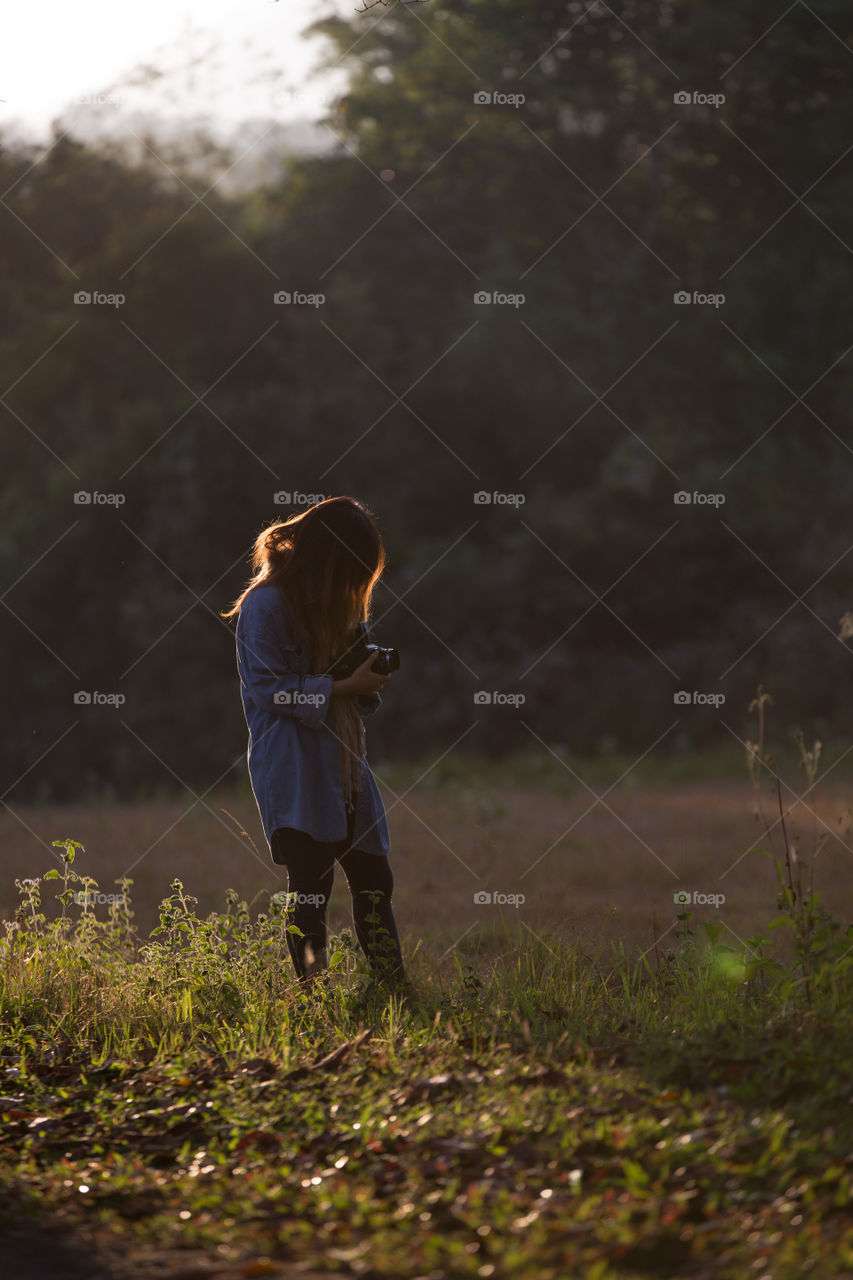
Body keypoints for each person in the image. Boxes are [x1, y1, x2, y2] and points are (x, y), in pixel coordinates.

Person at [221, 496, 407, 996]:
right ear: (329, 560)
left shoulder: (335, 605)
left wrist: (363, 679)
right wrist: (345, 686)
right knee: (310, 889)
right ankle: (312, 999)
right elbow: (269, 690)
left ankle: (395, 989)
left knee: (375, 880)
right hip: (295, 765)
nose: (356, 583)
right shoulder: (264, 605)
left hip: (346, 758)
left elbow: (349, 686)